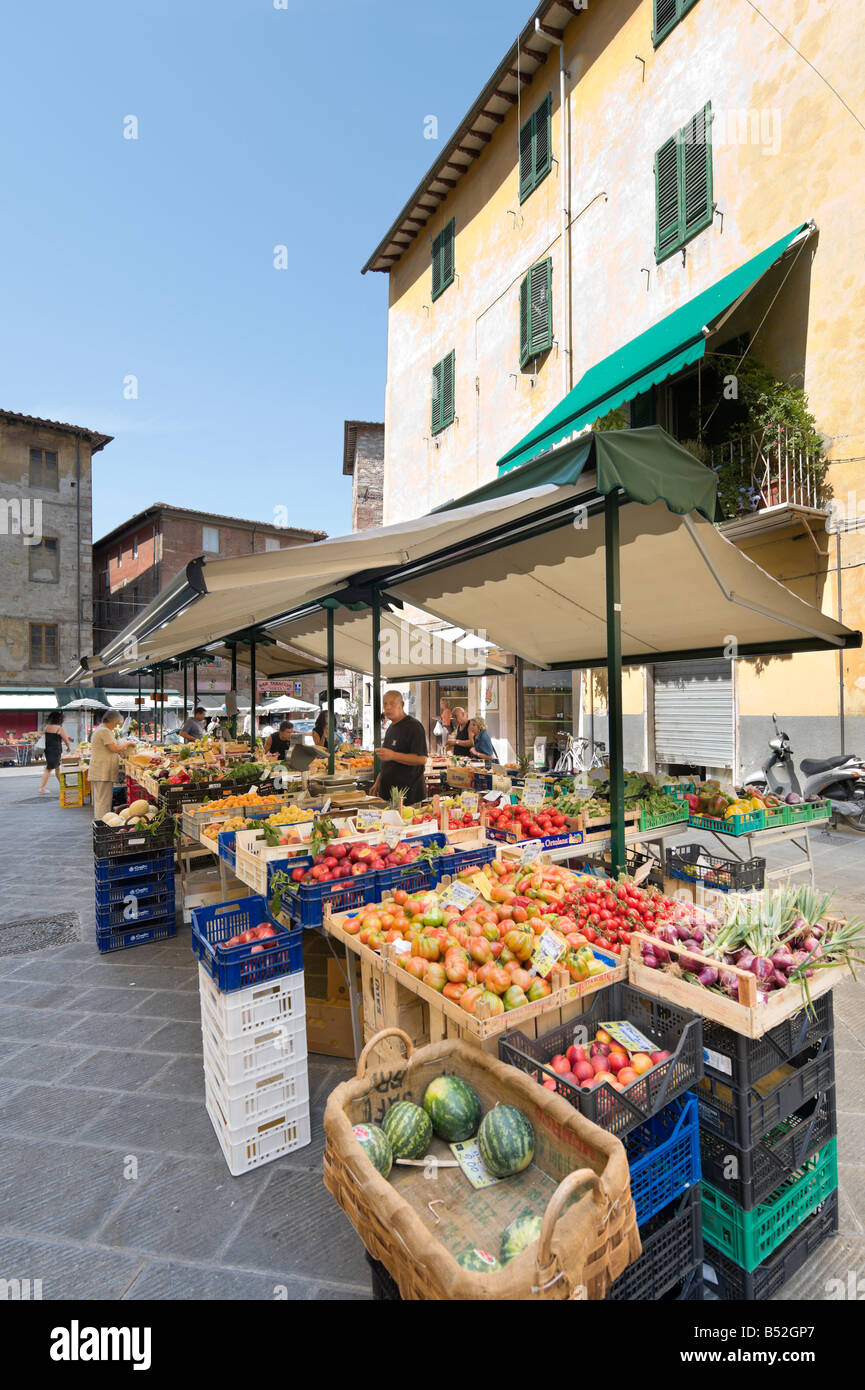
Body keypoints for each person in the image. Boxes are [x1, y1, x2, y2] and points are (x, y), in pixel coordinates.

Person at [371, 689, 428, 805]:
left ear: (402, 705)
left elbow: (422, 759)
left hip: (408, 797)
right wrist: (378, 782)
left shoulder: (414, 727)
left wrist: (393, 755)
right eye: (385, 704)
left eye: (392, 703)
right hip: (388, 794)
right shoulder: (391, 728)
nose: (387, 707)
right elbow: (387, 762)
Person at [90, 709, 136, 821]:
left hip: (101, 769)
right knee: (103, 799)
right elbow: (114, 748)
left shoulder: (102, 729)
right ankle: (103, 821)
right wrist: (127, 744)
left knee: (101, 798)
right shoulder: (104, 731)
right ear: (112, 720)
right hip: (102, 770)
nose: (116, 725)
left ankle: (101, 819)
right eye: (116, 723)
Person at [38, 710, 73, 794]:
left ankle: (63, 785)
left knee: (57, 768)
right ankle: (42, 788)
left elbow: (44, 736)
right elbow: (66, 741)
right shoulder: (59, 728)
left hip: (48, 750)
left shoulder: (47, 727)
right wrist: (68, 747)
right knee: (49, 769)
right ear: (59, 719)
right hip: (56, 750)